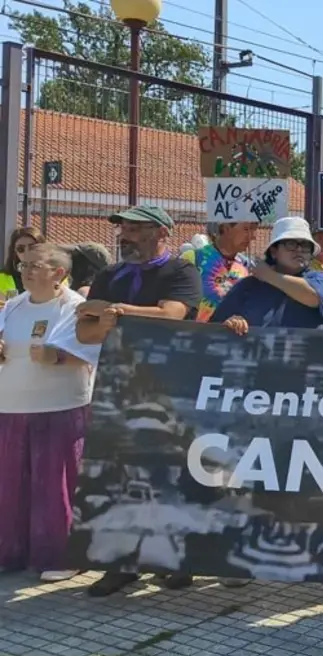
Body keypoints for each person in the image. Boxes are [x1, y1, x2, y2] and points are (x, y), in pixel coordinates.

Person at [75, 205, 201, 597]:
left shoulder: (181, 271)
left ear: (161, 233)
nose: (125, 235)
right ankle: (120, 563)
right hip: (117, 385)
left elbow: (171, 315)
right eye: (123, 228)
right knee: (117, 476)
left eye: (135, 228)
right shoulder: (110, 275)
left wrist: (115, 312)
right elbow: (84, 331)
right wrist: (105, 317)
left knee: (167, 475)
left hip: (168, 385)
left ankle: (174, 559)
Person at [0, 245, 94, 582]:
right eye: (23, 264)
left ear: (59, 273)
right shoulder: (13, 305)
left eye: (34, 265)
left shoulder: (75, 307)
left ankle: (63, 556)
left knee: (55, 486)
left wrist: (57, 357)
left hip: (59, 407)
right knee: (11, 485)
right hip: (11, 407)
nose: (25, 271)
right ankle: (10, 552)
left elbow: (94, 351)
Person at [210, 218, 323, 333]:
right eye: (291, 244)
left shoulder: (320, 279)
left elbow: (313, 297)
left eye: (305, 245)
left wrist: (269, 275)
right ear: (274, 251)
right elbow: (214, 329)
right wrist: (231, 324)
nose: (299, 250)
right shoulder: (248, 286)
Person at [181, 221, 257, 322]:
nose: (252, 237)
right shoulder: (192, 259)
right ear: (226, 228)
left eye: (253, 230)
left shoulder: (246, 268)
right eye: (246, 229)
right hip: (193, 331)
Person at [1, 228, 47, 307]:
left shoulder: (55, 274)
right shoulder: (2, 277)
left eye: (32, 247)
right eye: (21, 249)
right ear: (15, 252)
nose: (27, 252)